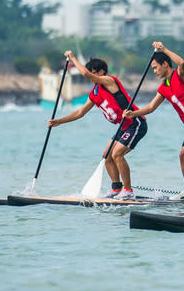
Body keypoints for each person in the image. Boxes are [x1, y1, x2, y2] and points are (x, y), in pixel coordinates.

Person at [123, 41, 184, 202]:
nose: (154, 71)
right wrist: (133, 113)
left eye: (155, 67)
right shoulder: (164, 87)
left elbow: (181, 62)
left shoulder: (181, 75)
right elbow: (151, 107)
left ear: (165, 64)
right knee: (183, 155)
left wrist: (164, 49)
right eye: (152, 68)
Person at [48, 51, 148, 199]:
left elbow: (86, 75)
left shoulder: (109, 81)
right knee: (106, 156)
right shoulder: (95, 92)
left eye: (94, 73)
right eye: (91, 74)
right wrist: (59, 121)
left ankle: (128, 191)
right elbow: (80, 112)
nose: (92, 78)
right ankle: (116, 189)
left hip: (136, 123)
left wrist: (73, 59)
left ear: (101, 72)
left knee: (117, 154)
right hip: (124, 126)